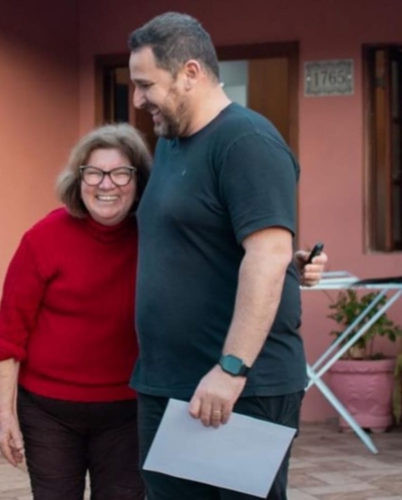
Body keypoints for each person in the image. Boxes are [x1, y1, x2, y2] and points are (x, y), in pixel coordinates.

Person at [0, 125, 326, 500]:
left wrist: (288, 265)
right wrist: (5, 418)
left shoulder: (159, 234)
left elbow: (222, 269)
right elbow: (7, 338)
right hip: (50, 412)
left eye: (121, 173)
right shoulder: (43, 238)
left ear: (139, 181)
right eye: (94, 172)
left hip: (128, 408)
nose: (106, 184)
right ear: (78, 179)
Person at [128, 12, 317, 499]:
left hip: (235, 389)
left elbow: (267, 254)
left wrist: (231, 369)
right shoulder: (172, 144)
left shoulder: (246, 142)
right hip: (169, 382)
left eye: (146, 84)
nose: (137, 98)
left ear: (190, 73)